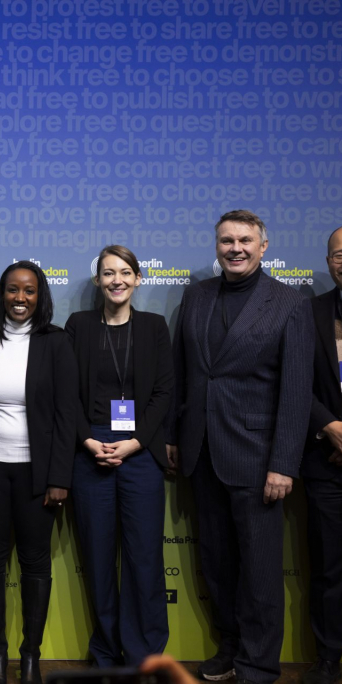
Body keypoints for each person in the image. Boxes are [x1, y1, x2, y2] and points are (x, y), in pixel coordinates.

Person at [168, 210, 313, 684]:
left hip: (258, 458)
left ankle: (257, 664)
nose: (235, 248)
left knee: (261, 571)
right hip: (202, 452)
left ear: (263, 246)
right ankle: (229, 648)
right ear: (217, 246)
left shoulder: (289, 303)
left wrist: (284, 464)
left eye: (245, 240)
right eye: (227, 240)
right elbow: (183, 372)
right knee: (218, 563)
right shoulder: (196, 295)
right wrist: (173, 435)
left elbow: (295, 390)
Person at [0, 261, 77, 684]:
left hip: (37, 474)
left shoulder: (57, 343)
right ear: (1, 294)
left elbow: (65, 416)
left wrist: (60, 477)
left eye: (28, 291)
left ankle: (30, 657)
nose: (19, 298)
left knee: (35, 563)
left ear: (40, 296)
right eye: (11, 290)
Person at [65, 246, 173, 666]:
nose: (117, 280)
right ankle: (107, 652)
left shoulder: (154, 327)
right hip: (91, 449)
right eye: (108, 273)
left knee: (144, 556)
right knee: (97, 557)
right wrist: (89, 441)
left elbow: (165, 391)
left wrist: (135, 443)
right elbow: (66, 391)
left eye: (125, 272)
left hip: (140, 451)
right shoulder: (79, 326)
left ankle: (144, 654)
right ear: (97, 281)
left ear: (138, 278)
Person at [301, 225, 342, 684]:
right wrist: (330, 428)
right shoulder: (309, 312)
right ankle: (328, 657)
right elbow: (294, 380)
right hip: (325, 463)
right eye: (338, 254)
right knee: (328, 569)